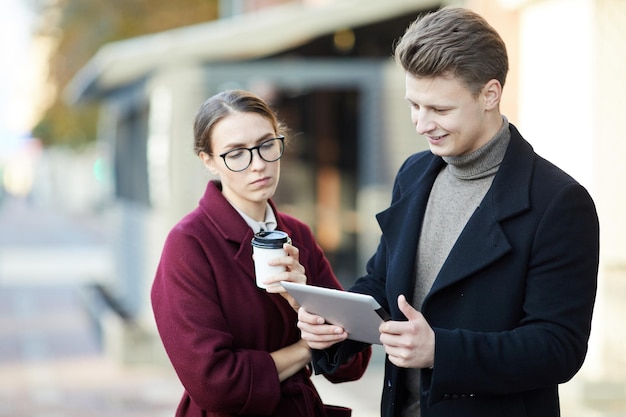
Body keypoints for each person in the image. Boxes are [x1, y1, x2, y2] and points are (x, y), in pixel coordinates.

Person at [297, 6, 599, 417]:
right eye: (414, 105)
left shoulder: (560, 202)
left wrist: (442, 350)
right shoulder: (414, 172)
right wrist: (335, 325)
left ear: (490, 94)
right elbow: (383, 284)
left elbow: (558, 348)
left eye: (439, 110)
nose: (421, 124)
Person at [151, 89, 371, 417]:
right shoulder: (189, 245)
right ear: (208, 161)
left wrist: (302, 301)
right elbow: (215, 384)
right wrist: (307, 347)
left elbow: (353, 359)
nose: (258, 165)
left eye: (267, 145)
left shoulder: (297, 234)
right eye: (236, 154)